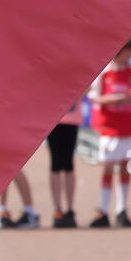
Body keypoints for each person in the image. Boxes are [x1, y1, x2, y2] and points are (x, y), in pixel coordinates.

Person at [88, 37, 131, 228]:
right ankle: (103, 211)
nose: (127, 58)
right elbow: (93, 97)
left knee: (126, 168)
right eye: (125, 54)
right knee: (107, 168)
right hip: (110, 129)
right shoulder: (105, 73)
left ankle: (122, 210)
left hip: (130, 128)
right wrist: (111, 99)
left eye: (130, 54)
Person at [47, 96, 82, 228]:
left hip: (71, 119)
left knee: (68, 165)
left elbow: (87, 87)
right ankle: (57, 209)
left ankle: (70, 209)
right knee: (55, 165)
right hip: (53, 119)